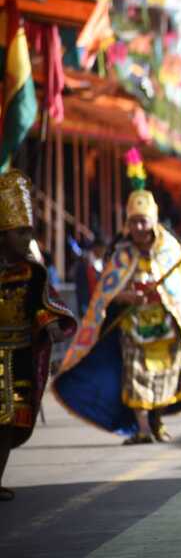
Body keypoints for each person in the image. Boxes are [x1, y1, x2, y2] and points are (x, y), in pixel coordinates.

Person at [53, 189, 181, 444]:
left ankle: (156, 422)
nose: (138, 227)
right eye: (133, 221)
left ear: (154, 221)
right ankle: (143, 428)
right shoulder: (121, 255)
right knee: (135, 376)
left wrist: (160, 295)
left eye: (143, 221)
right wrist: (126, 296)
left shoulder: (170, 249)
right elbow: (106, 294)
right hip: (133, 328)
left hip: (167, 329)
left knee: (164, 378)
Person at [0, 170, 76, 501]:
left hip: (19, 355)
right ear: (3, 235)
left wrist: (51, 326)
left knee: (10, 421)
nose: (27, 238)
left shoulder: (32, 271)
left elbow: (39, 305)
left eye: (30, 231)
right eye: (21, 232)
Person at [72, 235, 106, 318]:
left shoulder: (101, 263)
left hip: (98, 303)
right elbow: (81, 287)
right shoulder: (85, 262)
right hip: (87, 302)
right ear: (96, 248)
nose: (103, 252)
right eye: (102, 249)